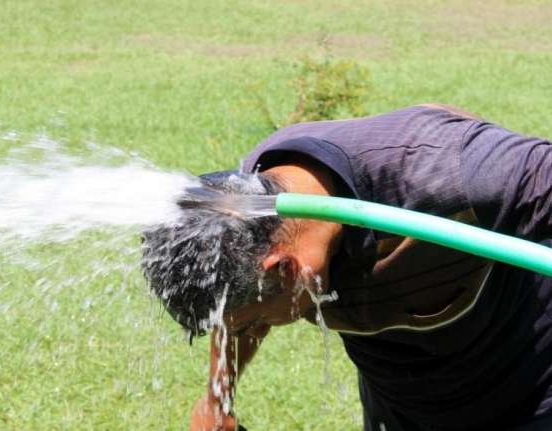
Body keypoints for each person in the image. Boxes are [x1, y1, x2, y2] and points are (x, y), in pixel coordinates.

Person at [141, 104, 552, 430]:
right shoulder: (248, 208)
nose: (245, 332)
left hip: (524, 388)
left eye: (252, 324)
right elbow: (233, 310)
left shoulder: (453, 171)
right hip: (401, 402)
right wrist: (218, 397)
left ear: (286, 270)